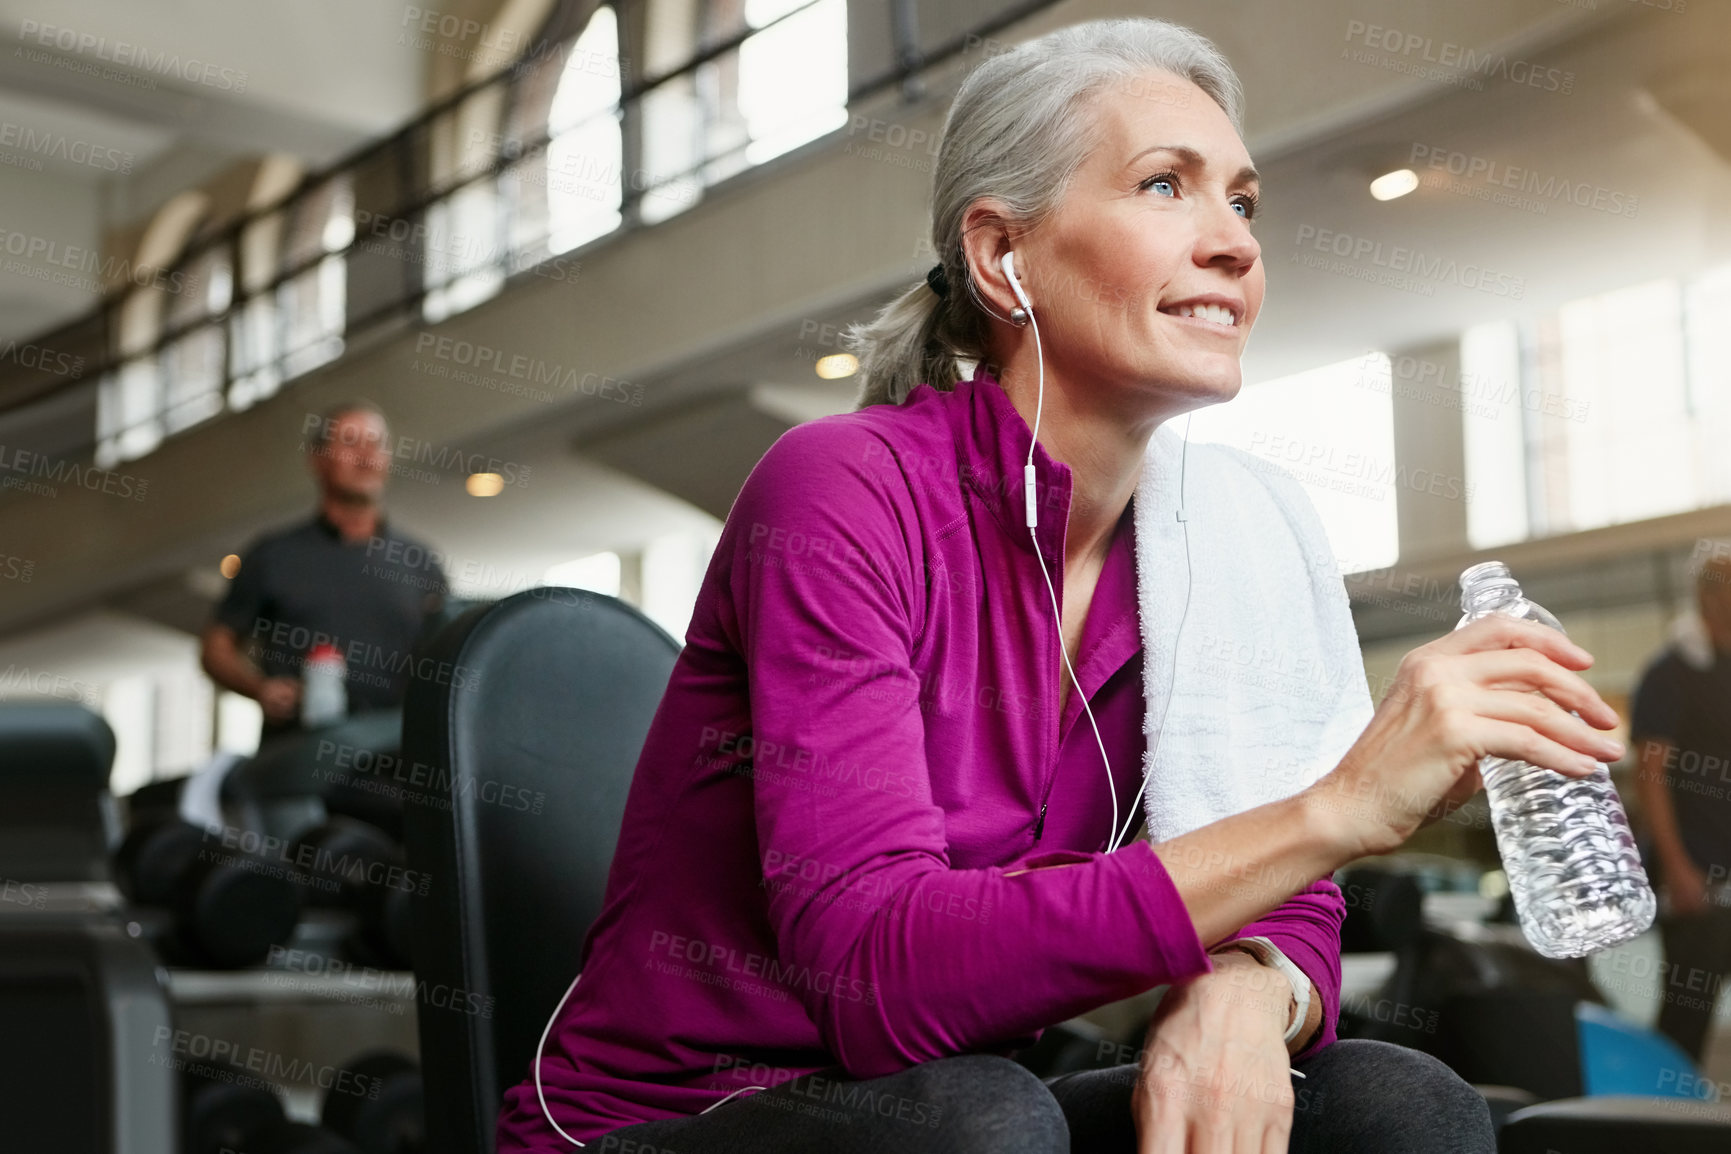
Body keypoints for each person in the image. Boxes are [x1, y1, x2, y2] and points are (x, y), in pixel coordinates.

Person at [499, 19, 1625, 1154]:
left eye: (1243, 202)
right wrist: (1340, 807)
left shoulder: (1217, 540)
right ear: (1004, 259)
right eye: (1164, 186)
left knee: (1395, 1102)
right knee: (982, 1122)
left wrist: (1242, 988)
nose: (1233, 242)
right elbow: (875, 978)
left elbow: (1281, 888)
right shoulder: (842, 490)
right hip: (682, 1119)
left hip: (973, 1098)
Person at [201, 400, 450, 748]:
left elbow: (447, 658)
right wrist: (260, 689)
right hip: (297, 756)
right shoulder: (273, 555)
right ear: (317, 459)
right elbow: (216, 648)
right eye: (350, 442)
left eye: (376, 444)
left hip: (396, 760)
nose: (366, 456)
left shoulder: (420, 561)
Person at [1631, 551, 1731, 1064]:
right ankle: (1660, 1123)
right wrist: (1676, 867)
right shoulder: (1670, 672)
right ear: (1711, 597)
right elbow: (1650, 773)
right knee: (1687, 1015)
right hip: (1694, 878)